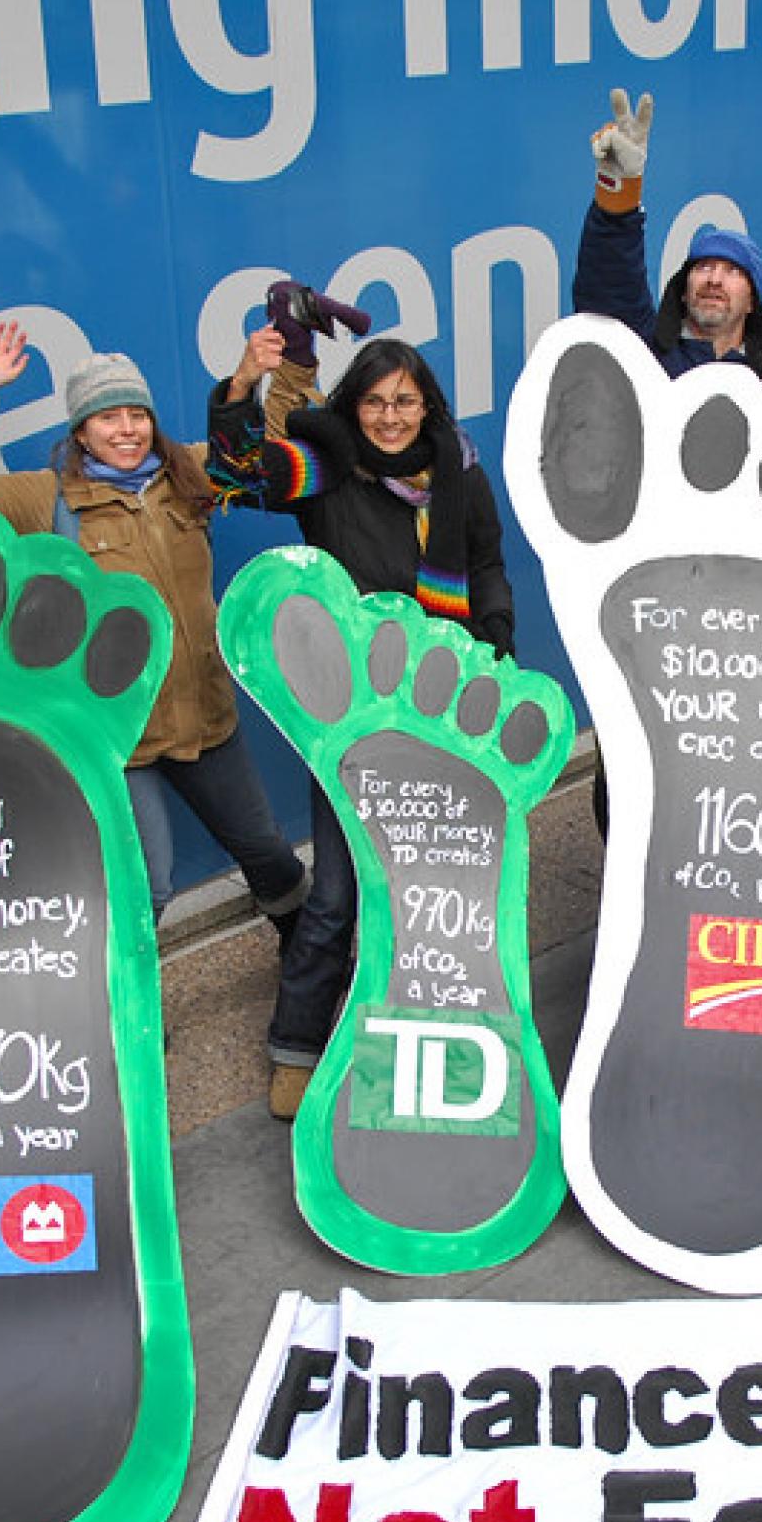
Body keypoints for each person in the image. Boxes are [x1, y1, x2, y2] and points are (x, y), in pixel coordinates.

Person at [208, 284, 518, 1118]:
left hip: (450, 709)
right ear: (355, 404)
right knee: (340, 891)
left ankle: (435, 1037)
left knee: (440, 892)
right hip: (352, 719)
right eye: (376, 401)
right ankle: (297, 1046)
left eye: (405, 400)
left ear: (429, 405)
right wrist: (246, 383)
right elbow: (239, 470)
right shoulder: (328, 470)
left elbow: (486, 561)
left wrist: (491, 644)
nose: (389, 417)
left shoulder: (456, 467)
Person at [0, 324, 309, 945]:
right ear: (81, 431)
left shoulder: (190, 474)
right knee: (147, 888)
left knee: (270, 856)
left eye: (137, 414)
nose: (127, 429)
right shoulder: (46, 499)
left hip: (204, 718)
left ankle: (309, 966)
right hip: (119, 737)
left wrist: (264, 376)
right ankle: (125, 1017)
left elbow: (268, 454)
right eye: (108, 418)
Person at [571, 88, 762, 379]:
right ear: (683, 292)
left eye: (733, 272)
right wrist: (620, 190)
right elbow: (610, 284)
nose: (714, 279)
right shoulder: (646, 353)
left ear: (752, 303)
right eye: (704, 267)